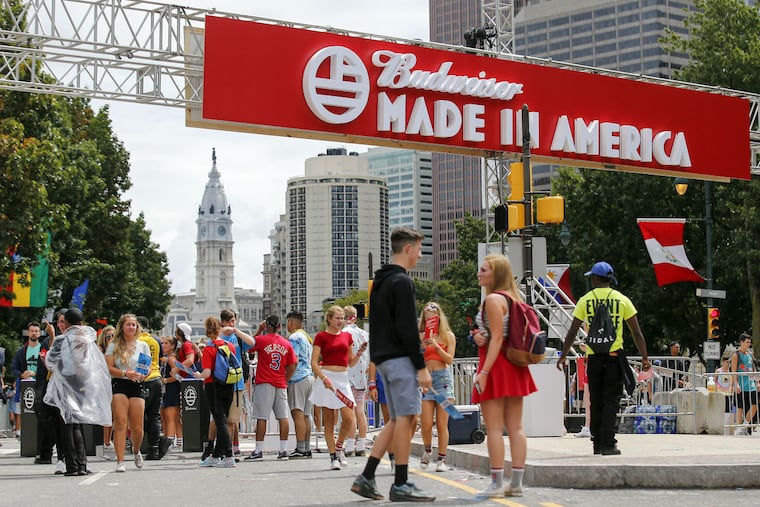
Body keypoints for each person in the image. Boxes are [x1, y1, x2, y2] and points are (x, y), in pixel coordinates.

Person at [351, 227, 435, 503]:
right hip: (400, 359)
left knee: (398, 419)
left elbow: (378, 325)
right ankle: (400, 482)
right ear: (408, 249)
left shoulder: (381, 282)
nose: (420, 256)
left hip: (385, 359)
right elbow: (407, 328)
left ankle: (367, 476)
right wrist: (420, 366)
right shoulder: (401, 282)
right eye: (419, 250)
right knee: (408, 418)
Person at [558, 261, 651, 457]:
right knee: (611, 400)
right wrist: (644, 357)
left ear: (596, 278)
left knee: (596, 400)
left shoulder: (585, 300)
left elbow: (573, 331)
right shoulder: (622, 299)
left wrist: (564, 355)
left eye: (592, 276)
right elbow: (636, 332)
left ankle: (597, 443)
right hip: (614, 357)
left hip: (593, 358)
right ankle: (609, 443)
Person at [469, 254, 537, 498]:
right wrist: (478, 335)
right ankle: (516, 482)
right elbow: (500, 333)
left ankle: (496, 482)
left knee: (494, 429)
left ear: (495, 274)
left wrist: (484, 372)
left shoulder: (492, 300)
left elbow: (496, 337)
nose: (480, 273)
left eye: (484, 270)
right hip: (515, 365)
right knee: (516, 426)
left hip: (495, 365)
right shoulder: (513, 298)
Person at [44, 308, 112, 476]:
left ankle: (72, 466)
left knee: (67, 425)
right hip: (83, 385)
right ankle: (82, 464)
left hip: (66, 385)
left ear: (66, 322)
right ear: (81, 322)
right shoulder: (88, 339)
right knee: (78, 425)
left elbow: (50, 362)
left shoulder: (62, 340)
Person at [311, 305, 366, 470]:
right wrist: (323, 377)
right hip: (327, 377)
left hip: (343, 379)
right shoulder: (321, 336)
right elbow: (314, 361)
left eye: (342, 318)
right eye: (337, 318)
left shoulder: (347, 336)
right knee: (329, 421)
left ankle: (339, 446)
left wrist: (359, 354)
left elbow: (350, 362)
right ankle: (333, 456)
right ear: (329, 319)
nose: (340, 321)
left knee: (349, 418)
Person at [245, 314, 296, 461]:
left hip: (264, 382)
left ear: (266, 326)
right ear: (279, 326)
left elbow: (249, 346)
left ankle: (259, 450)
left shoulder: (261, 340)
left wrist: (259, 330)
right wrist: (286, 379)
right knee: (283, 416)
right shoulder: (286, 343)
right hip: (280, 382)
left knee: (262, 417)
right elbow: (293, 365)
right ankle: (283, 450)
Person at [105, 313, 150, 472]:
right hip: (120, 383)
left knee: (137, 427)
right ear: (122, 327)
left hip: (137, 385)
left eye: (134, 325)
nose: (131, 327)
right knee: (121, 422)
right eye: (128, 324)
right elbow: (109, 368)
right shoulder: (114, 344)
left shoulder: (142, 345)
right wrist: (125, 374)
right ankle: (120, 461)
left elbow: (147, 368)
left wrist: (142, 374)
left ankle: (136, 450)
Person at [418, 301, 456, 472]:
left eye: (433, 317)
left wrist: (437, 347)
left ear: (439, 318)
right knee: (425, 423)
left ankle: (442, 459)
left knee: (442, 423)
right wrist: (423, 347)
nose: (430, 319)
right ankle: (427, 449)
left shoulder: (448, 336)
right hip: (427, 379)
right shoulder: (420, 336)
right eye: (427, 318)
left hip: (443, 380)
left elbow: (449, 359)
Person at [193, 316, 236, 467]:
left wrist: (198, 375)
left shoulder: (209, 349)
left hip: (214, 387)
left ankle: (229, 455)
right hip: (229, 385)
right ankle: (216, 455)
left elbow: (206, 373)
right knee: (222, 419)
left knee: (220, 421)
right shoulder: (229, 345)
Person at [136, 316, 171, 460]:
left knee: (140, 416)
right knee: (154, 416)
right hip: (157, 378)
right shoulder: (155, 340)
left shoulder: (138, 341)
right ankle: (155, 447)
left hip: (144, 379)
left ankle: (157, 443)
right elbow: (160, 358)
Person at [285, 310, 315, 459]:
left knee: (297, 413)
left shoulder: (294, 337)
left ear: (291, 322)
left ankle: (300, 447)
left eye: (288, 322)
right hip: (309, 377)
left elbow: (293, 360)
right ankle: (306, 447)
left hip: (298, 378)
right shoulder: (307, 337)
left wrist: (286, 378)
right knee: (306, 415)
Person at [344, 305, 370, 458]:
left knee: (350, 412)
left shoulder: (344, 334)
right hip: (362, 377)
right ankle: (361, 443)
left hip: (347, 377)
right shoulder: (364, 334)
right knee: (360, 411)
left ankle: (349, 444)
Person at [731, 333, 758, 436]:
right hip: (741, 385)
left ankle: (745, 424)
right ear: (741, 342)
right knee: (740, 407)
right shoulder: (736, 355)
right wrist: (736, 384)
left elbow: (753, 369)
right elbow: (733, 371)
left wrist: (757, 382)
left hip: (751, 385)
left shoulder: (750, 355)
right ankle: (738, 428)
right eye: (747, 342)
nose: (749, 344)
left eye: (749, 342)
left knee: (754, 405)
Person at [159, 336, 182, 449]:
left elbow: (178, 376)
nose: (163, 345)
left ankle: (170, 441)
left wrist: (167, 380)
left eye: (166, 343)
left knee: (171, 417)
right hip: (165, 390)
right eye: (162, 343)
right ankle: (177, 440)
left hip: (171, 389)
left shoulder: (172, 359)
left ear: (172, 346)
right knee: (167, 417)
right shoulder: (165, 358)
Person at [97, 325, 115, 450]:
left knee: (114, 414)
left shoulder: (119, 349)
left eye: (114, 336)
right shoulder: (99, 351)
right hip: (102, 384)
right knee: (105, 412)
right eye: (109, 336)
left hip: (115, 382)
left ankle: (109, 440)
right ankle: (105, 441)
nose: (111, 338)